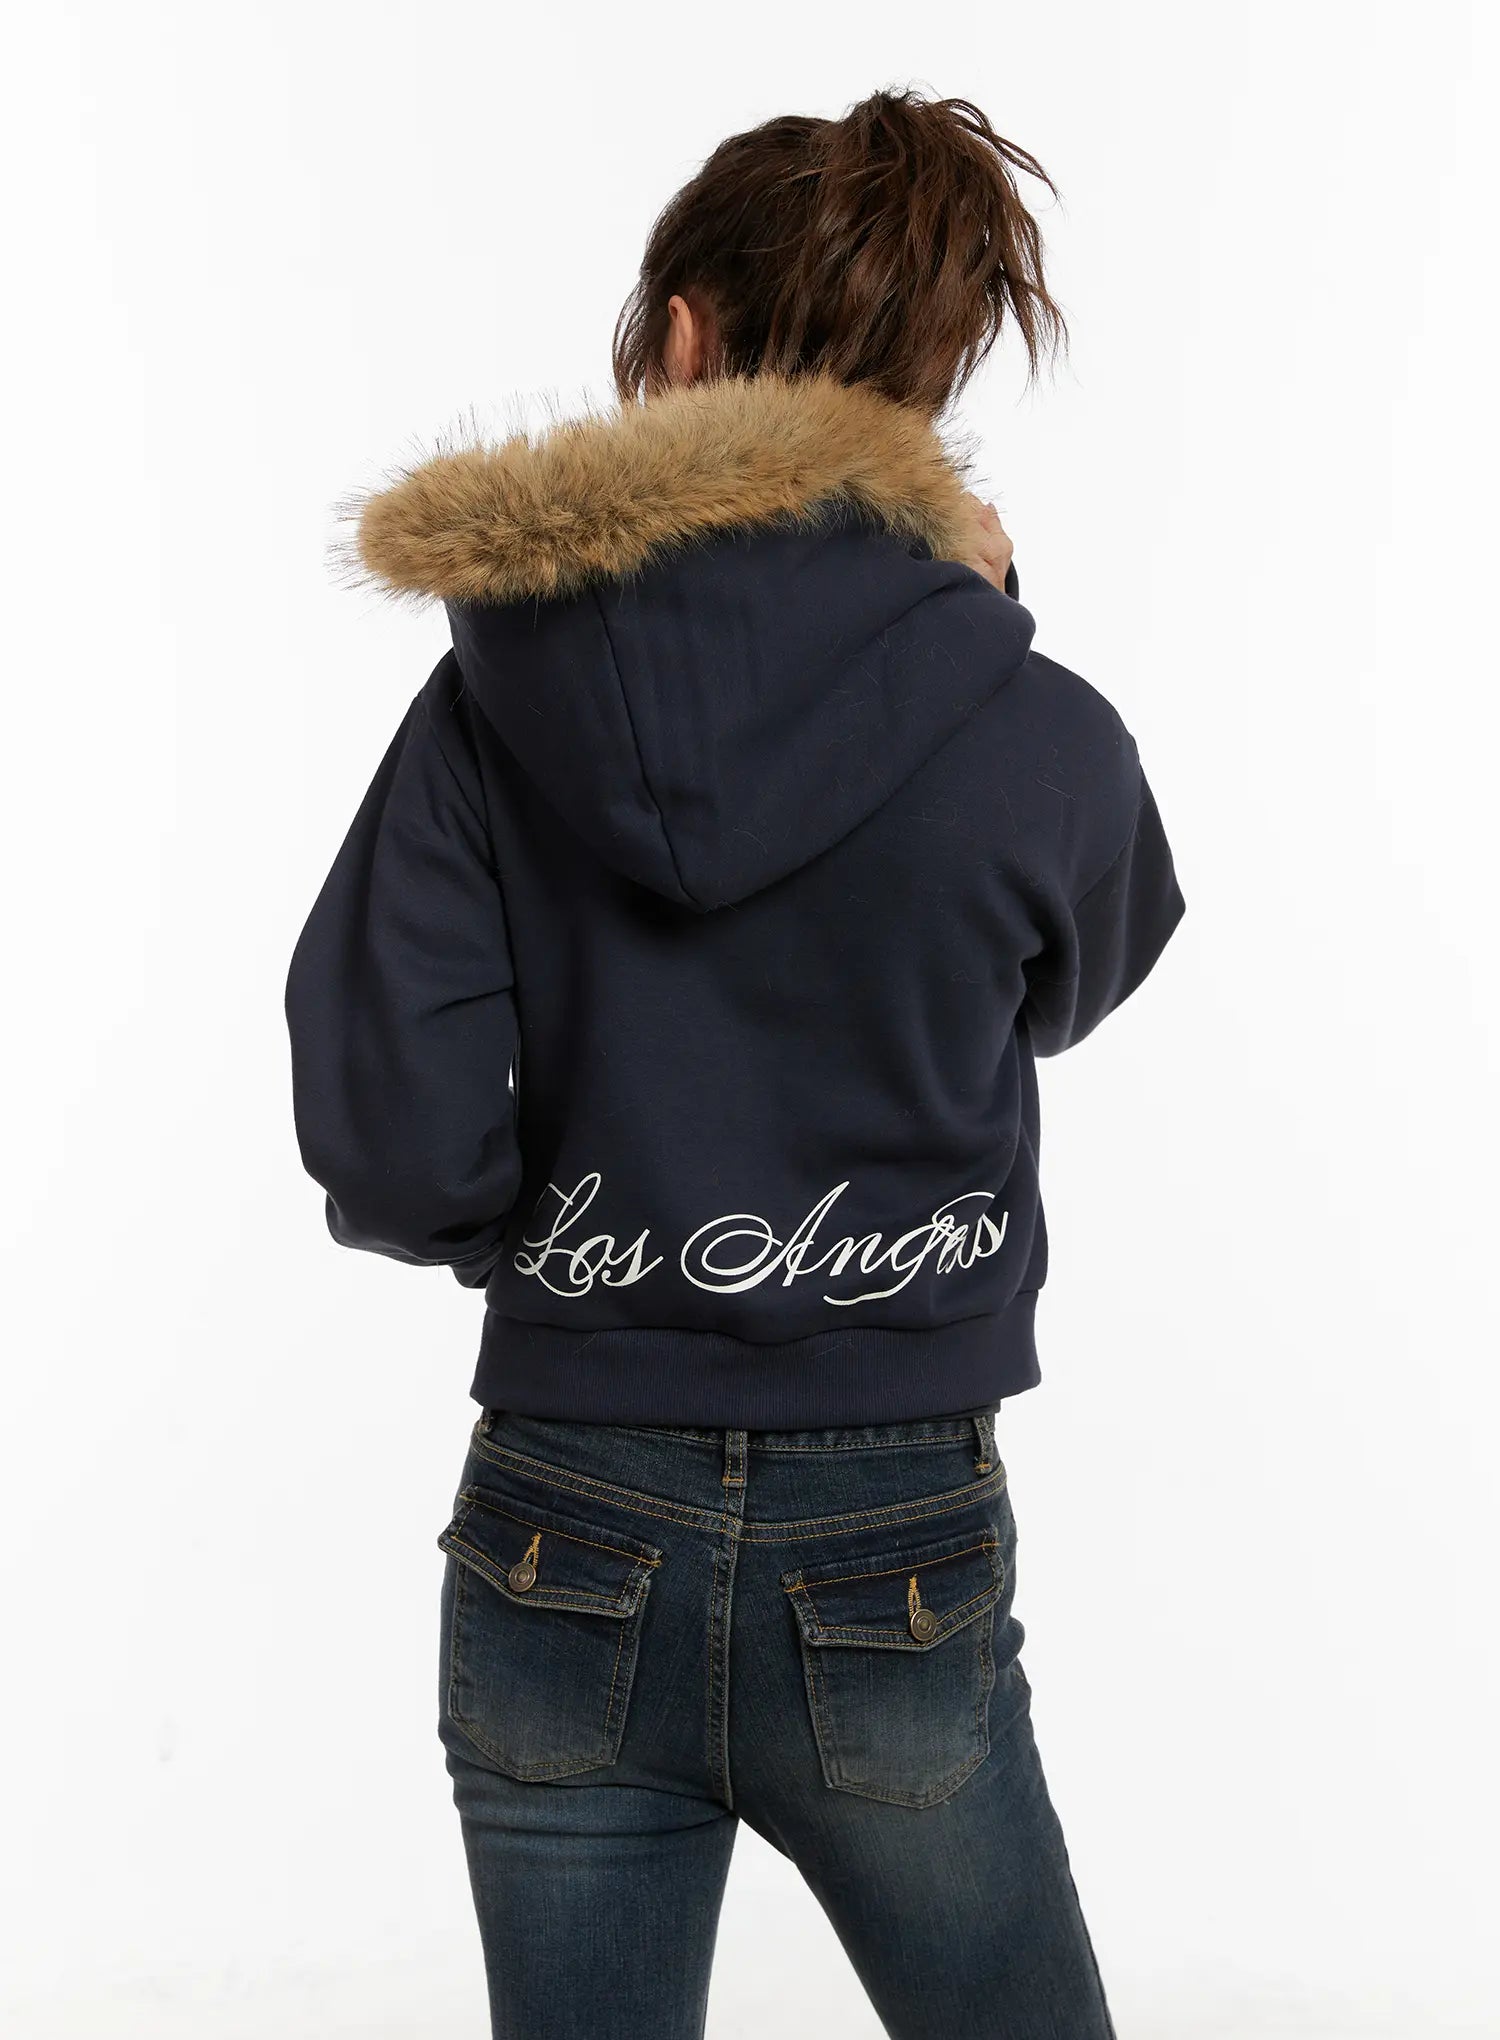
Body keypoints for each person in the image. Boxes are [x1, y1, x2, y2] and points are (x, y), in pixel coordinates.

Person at [286, 85, 1186, 2040]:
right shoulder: (1036, 724)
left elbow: (392, 1124)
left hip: (563, 1517)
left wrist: (553, 1244)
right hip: (894, 1545)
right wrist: (978, 631)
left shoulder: (484, 707)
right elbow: (1085, 972)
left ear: (681, 339)